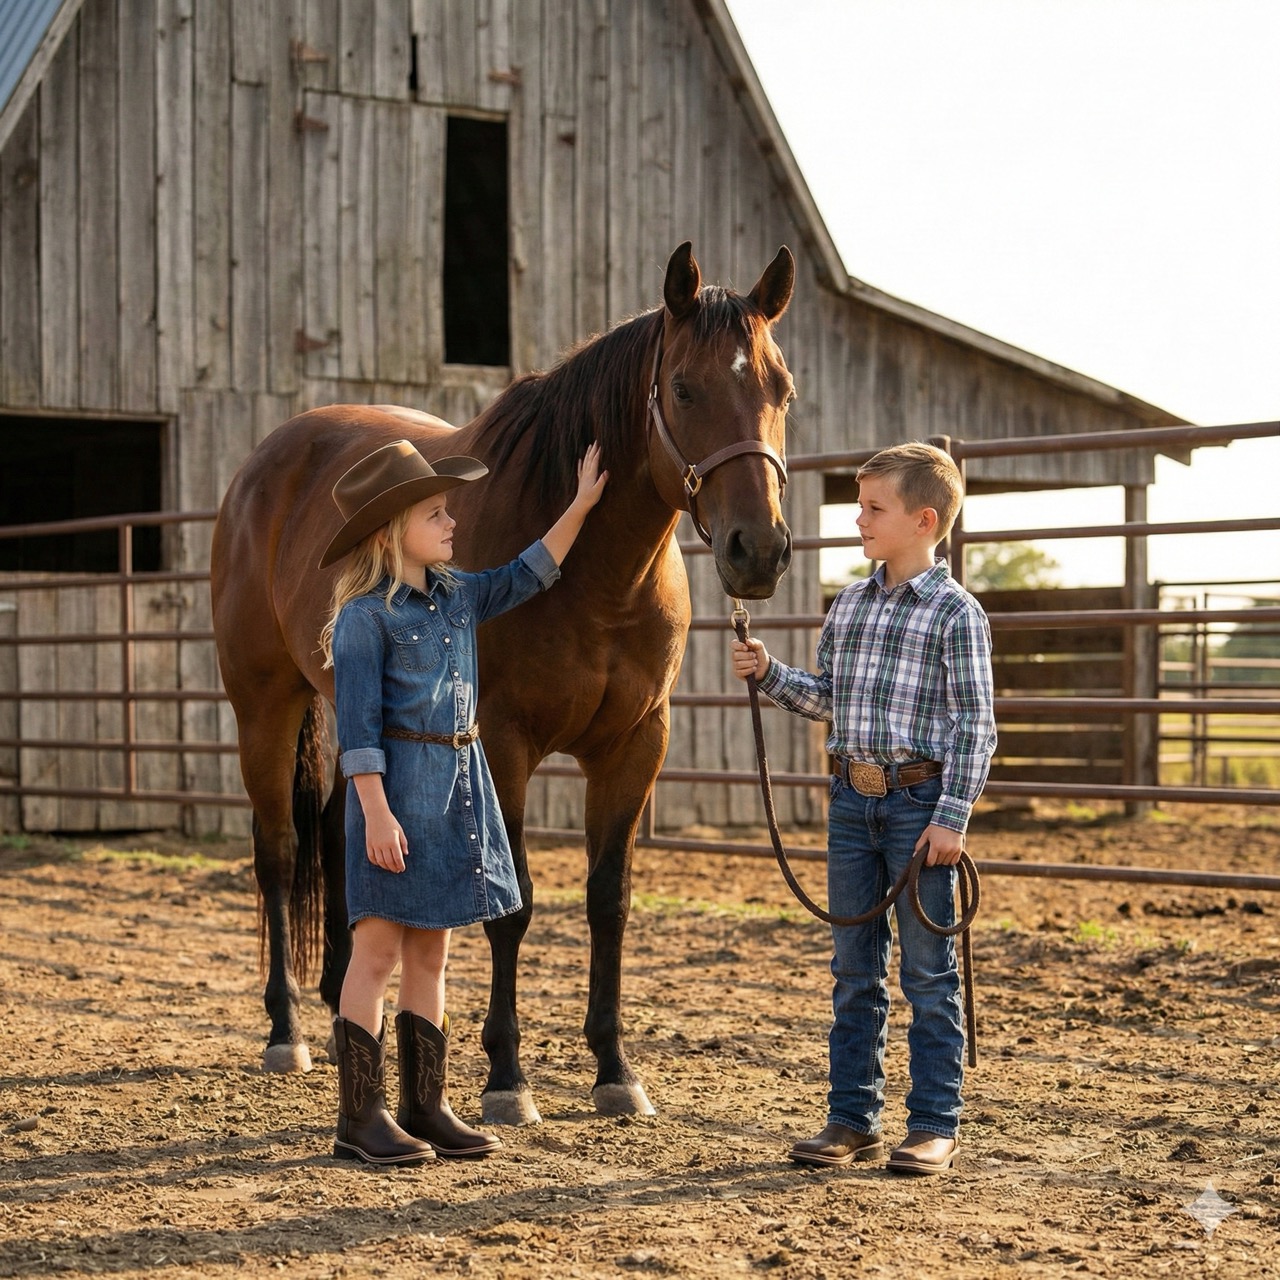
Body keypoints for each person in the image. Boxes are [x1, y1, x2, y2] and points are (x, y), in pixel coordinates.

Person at [318, 437, 608, 1165]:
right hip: (395, 793)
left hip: (458, 789)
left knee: (434, 954)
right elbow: (354, 732)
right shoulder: (363, 619)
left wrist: (580, 504)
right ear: (393, 534)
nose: (453, 525)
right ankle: (361, 1117)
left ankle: (427, 1103)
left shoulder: (454, 595)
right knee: (377, 950)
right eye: (437, 514)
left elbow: (529, 574)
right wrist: (377, 813)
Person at [730, 441, 995, 1176]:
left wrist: (953, 815)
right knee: (854, 970)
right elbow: (829, 699)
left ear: (923, 519)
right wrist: (772, 675)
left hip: (919, 807)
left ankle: (935, 1122)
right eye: (860, 505)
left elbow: (977, 724)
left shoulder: (955, 613)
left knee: (928, 973)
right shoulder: (849, 603)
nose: (858, 518)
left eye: (873, 508)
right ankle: (852, 1119)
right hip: (851, 800)